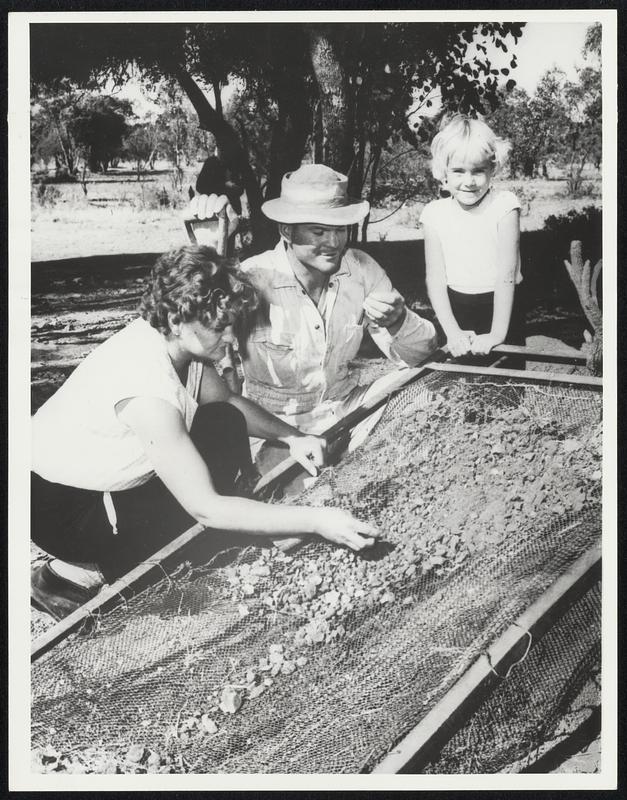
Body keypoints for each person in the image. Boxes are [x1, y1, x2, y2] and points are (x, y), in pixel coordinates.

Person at [30, 246, 379, 621]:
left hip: (102, 481)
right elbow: (206, 507)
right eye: (218, 326)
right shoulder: (148, 390)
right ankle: (71, 575)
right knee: (201, 532)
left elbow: (229, 401)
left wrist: (294, 437)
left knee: (222, 419)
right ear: (178, 319)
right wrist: (316, 519)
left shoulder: (177, 345)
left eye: (232, 323)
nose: (231, 337)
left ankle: (166, 546)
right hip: (60, 507)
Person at [189, 164, 437, 453]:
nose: (333, 243)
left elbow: (422, 355)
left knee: (422, 390)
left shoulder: (362, 270)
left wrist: (399, 321)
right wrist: (207, 248)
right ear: (286, 230)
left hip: (346, 410)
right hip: (274, 426)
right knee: (295, 487)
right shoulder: (253, 278)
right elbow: (198, 337)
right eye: (318, 231)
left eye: (340, 229)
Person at [420, 115, 524, 361]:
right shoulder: (434, 214)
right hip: (456, 310)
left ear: (492, 169)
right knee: (461, 390)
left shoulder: (505, 206)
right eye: (458, 171)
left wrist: (496, 334)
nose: (468, 181)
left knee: (506, 390)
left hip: (502, 309)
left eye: (478, 171)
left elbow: (507, 275)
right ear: (443, 171)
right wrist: (453, 332)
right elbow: (435, 278)